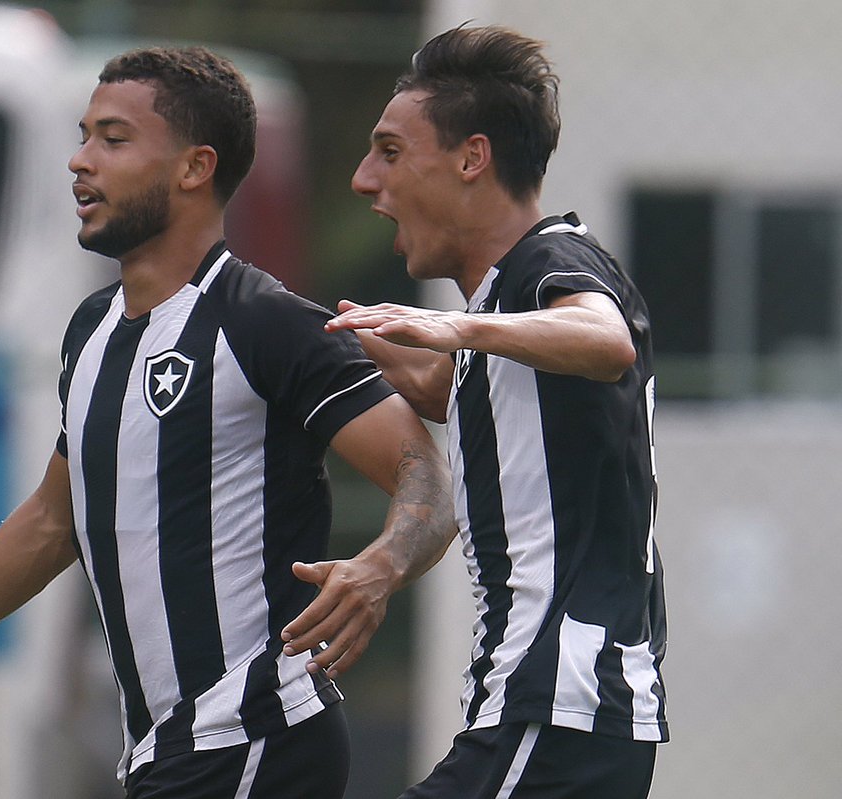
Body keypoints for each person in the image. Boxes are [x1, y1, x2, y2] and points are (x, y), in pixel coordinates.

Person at [0, 46, 457, 799]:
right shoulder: (93, 330)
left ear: (195, 168)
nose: (79, 161)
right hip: (168, 754)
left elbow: (424, 475)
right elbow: (51, 521)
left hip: (253, 736)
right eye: (82, 135)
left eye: (113, 139)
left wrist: (380, 566)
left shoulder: (263, 322)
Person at [324, 24, 669, 799]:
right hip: (559, 713)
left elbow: (604, 336)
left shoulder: (547, 263)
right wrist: (326, 344)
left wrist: (453, 328)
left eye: (389, 151)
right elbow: (471, 400)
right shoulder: (507, 314)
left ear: (472, 158)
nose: (362, 179)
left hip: (557, 705)